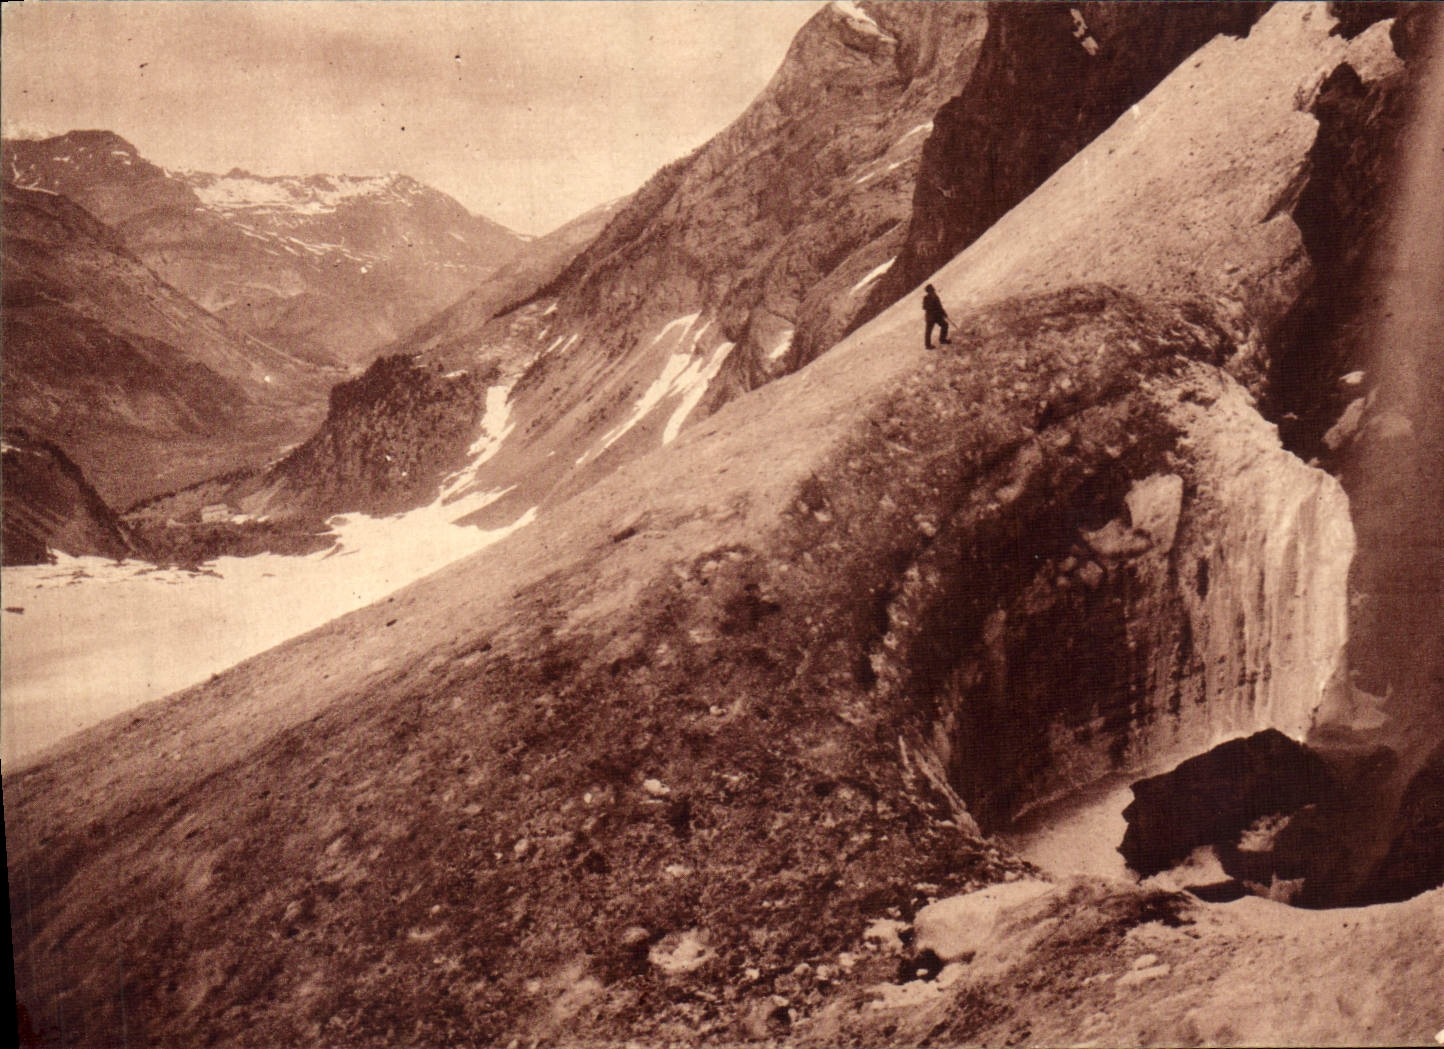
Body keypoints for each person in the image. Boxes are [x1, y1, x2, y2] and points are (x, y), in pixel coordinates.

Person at [922, 284, 951, 348]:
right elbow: (924, 307)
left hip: (937, 316)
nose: (932, 291)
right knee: (928, 331)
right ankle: (928, 345)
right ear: (928, 291)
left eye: (932, 290)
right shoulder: (926, 298)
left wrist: (944, 313)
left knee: (945, 325)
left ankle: (942, 339)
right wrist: (932, 308)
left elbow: (940, 306)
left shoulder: (936, 296)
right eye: (931, 290)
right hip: (930, 317)